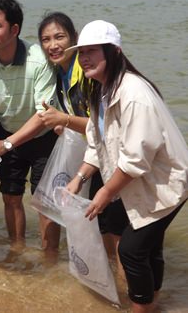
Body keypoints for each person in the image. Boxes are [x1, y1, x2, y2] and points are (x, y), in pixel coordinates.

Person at [66, 20, 188, 313]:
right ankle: (155, 302)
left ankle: (141, 307)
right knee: (148, 247)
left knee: (132, 251)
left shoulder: (134, 94)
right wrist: (80, 178)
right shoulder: (100, 90)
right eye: (82, 52)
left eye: (92, 51)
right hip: (142, 182)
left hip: (167, 184)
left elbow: (136, 160)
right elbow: (98, 144)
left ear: (115, 52)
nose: (84, 58)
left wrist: (105, 193)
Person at [37, 12, 129, 261]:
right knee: (95, 221)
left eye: (60, 37)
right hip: (91, 153)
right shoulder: (59, 73)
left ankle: (122, 286)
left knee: (113, 229)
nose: (53, 45)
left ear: (74, 39)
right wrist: (64, 124)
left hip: (111, 157)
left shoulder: (88, 72)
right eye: (46, 40)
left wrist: (65, 120)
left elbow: (104, 125)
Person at [0, 0, 58, 244]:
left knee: (44, 201)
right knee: (10, 195)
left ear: (14, 29)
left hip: (43, 136)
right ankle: (16, 250)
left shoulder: (39, 60)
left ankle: (50, 258)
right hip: (7, 131)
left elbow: (44, 115)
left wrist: (7, 144)